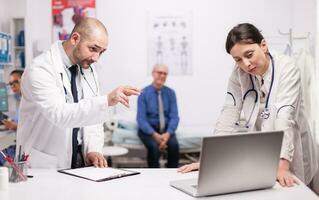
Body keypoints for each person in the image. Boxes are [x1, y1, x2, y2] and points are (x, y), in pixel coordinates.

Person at [178, 23, 318, 187]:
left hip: (290, 147)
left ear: (263, 45)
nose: (246, 64)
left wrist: (282, 165)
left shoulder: (287, 68)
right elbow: (229, 114)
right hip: (263, 146)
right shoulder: (239, 74)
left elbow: (284, 116)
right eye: (238, 60)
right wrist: (210, 162)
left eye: (249, 54)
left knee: (292, 189)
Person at [16, 17, 140, 169]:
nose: (96, 58)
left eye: (101, 52)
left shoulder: (88, 68)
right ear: (75, 39)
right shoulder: (41, 68)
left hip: (79, 161)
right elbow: (59, 115)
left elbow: (93, 118)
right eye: (93, 49)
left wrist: (93, 149)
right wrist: (106, 100)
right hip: (43, 163)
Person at [137, 64, 179, 168]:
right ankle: (153, 177)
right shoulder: (143, 93)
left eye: (165, 73)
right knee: (153, 147)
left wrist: (168, 134)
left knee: (174, 146)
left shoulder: (171, 93)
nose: (162, 76)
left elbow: (174, 117)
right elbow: (141, 119)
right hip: (149, 131)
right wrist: (155, 135)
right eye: (159, 72)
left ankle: (172, 175)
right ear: (153, 73)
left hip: (166, 131)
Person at [0, 69, 24, 166]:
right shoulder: (21, 102)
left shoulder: (29, 103)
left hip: (24, 148)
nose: (12, 86)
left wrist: (14, 126)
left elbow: (33, 129)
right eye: (10, 83)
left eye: (16, 82)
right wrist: (10, 124)